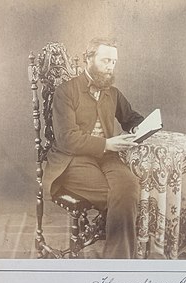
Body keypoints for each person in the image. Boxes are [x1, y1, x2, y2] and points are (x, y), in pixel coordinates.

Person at [44, 38, 144, 259]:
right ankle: (118, 262)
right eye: (106, 60)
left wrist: (143, 126)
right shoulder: (66, 92)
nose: (111, 66)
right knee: (118, 196)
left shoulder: (113, 93)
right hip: (71, 160)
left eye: (114, 62)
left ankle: (118, 265)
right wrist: (107, 144)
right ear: (88, 59)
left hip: (107, 157)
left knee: (129, 188)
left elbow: (131, 118)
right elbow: (66, 139)